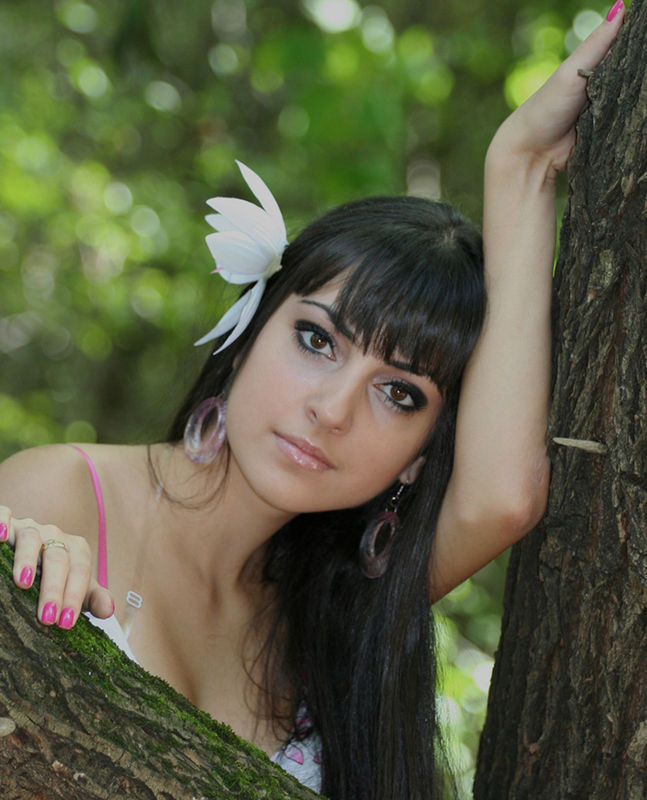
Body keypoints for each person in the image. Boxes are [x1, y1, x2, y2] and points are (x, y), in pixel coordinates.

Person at [0, 6, 626, 798]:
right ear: (251, 329)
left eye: (398, 393)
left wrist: (522, 169)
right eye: (316, 340)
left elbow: (503, 498)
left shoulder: (338, 611)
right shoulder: (60, 496)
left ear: (417, 459)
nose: (332, 409)